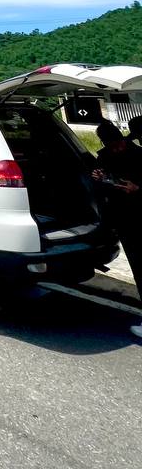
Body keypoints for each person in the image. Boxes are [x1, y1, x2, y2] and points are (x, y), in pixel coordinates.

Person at [92, 120, 142, 340]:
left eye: (119, 144)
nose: (117, 149)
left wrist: (137, 189)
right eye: (112, 146)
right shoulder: (104, 157)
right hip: (124, 220)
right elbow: (101, 186)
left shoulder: (139, 154)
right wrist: (101, 179)